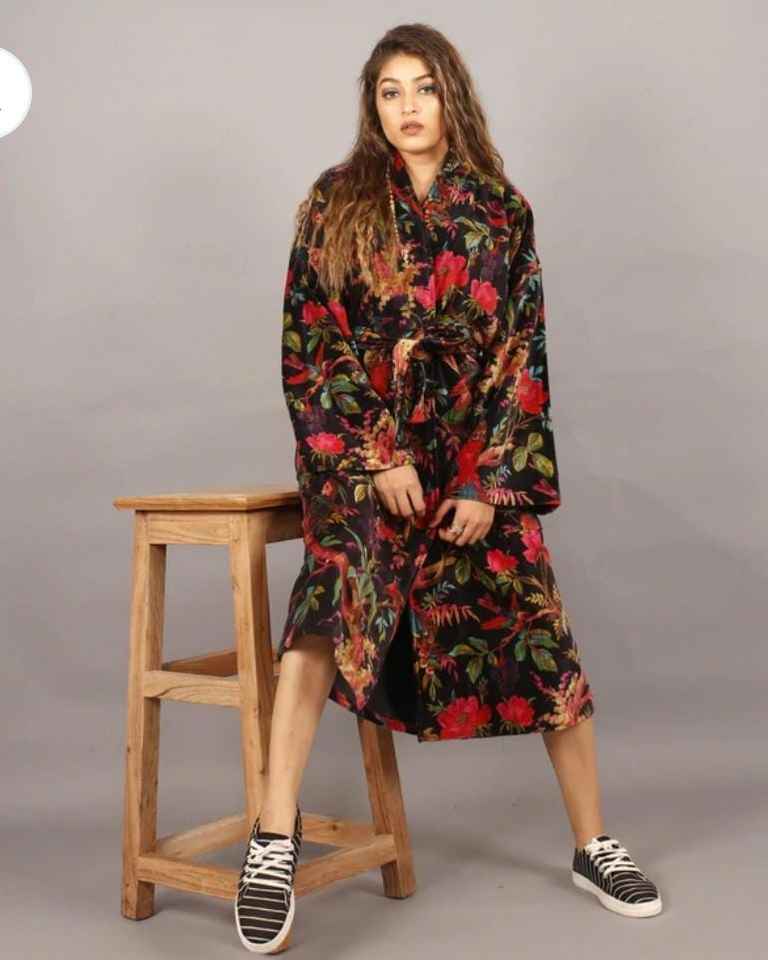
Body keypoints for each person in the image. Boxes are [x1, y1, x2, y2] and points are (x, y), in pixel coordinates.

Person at [234, 22, 662, 955]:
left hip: (471, 463)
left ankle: (594, 843)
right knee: (328, 602)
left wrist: (486, 482)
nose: (408, 107)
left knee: (541, 629)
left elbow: (520, 357)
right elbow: (312, 341)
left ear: (451, 95)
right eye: (389, 92)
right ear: (372, 105)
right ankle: (273, 838)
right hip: (366, 464)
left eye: (422, 88)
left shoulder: (502, 211)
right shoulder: (337, 202)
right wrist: (378, 455)